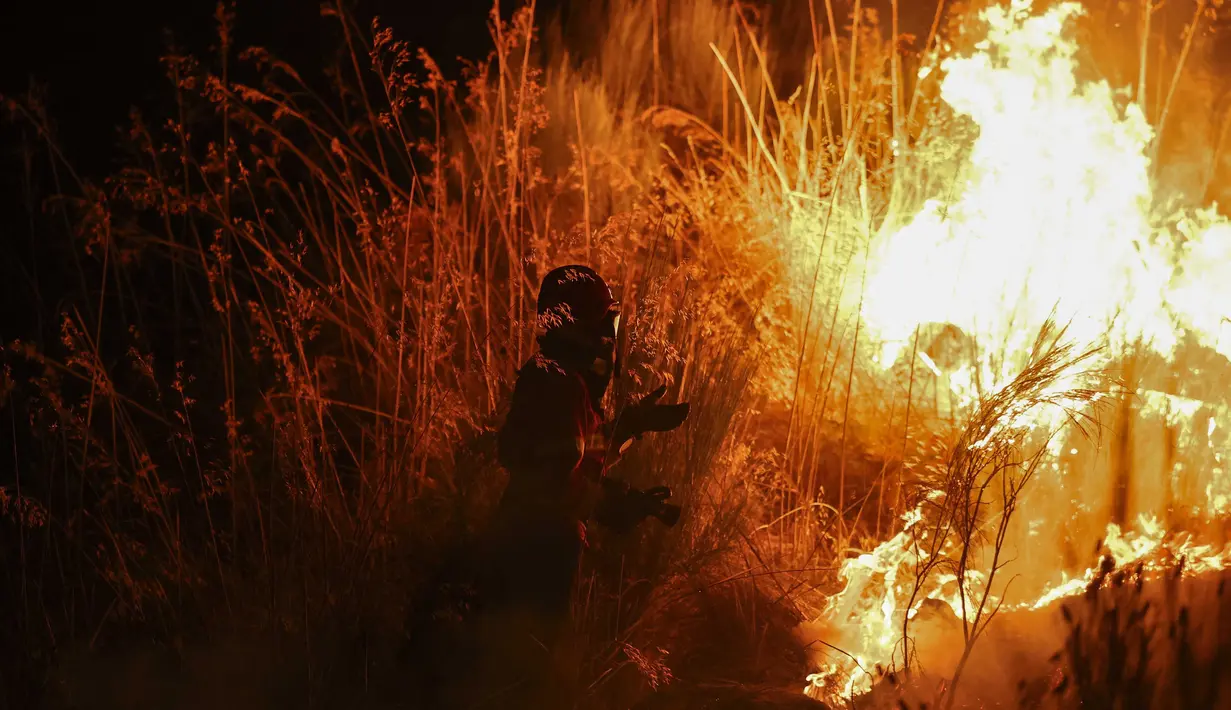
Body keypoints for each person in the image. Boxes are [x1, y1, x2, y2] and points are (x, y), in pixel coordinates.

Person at [478, 264, 689, 707]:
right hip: (538, 551)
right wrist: (617, 505)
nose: (609, 336)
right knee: (533, 683)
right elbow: (558, 487)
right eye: (603, 321)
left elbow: (573, 458)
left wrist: (630, 427)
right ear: (579, 325)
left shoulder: (551, 374)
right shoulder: (562, 387)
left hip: (524, 540)